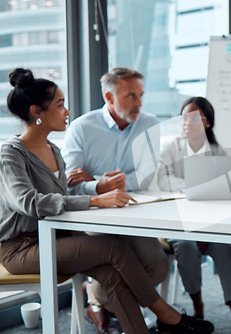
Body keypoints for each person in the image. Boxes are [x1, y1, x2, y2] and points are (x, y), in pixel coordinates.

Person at [0, 68, 215, 334]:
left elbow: (64, 195)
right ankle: (165, 314)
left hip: (56, 237)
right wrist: (95, 199)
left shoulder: (53, 150)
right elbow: (31, 202)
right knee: (113, 247)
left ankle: (145, 325)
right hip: (20, 248)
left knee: (112, 272)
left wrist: (89, 190)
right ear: (36, 112)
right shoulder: (10, 153)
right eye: (60, 105)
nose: (67, 111)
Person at [61, 67, 170, 333]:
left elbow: (146, 178)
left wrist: (98, 181)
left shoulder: (149, 123)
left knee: (157, 266)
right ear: (109, 97)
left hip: (132, 214)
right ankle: (121, 312)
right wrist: (100, 186)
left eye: (141, 95)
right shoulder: (81, 128)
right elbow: (69, 184)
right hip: (93, 217)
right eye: (131, 96)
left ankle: (96, 301)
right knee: (117, 262)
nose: (139, 103)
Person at [157, 96, 231, 334]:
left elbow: (226, 194)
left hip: (211, 224)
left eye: (193, 117)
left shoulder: (219, 153)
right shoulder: (172, 147)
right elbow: (161, 180)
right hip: (178, 224)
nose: (186, 123)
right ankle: (198, 306)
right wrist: (193, 185)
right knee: (186, 246)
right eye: (183, 118)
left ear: (207, 122)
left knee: (223, 250)